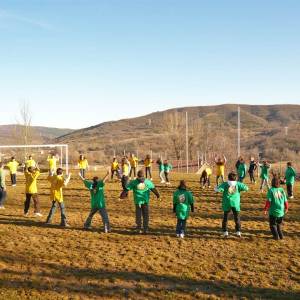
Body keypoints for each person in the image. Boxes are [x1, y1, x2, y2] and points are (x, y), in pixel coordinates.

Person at [215, 172, 248, 237]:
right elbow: (246, 188)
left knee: (225, 218)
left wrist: (216, 188)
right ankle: (238, 232)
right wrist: (241, 190)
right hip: (236, 203)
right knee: (237, 218)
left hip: (227, 203)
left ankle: (225, 232)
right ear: (236, 178)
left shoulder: (225, 184)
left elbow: (218, 190)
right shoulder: (238, 184)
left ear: (228, 178)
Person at [264, 175, 288, 240]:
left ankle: (276, 236)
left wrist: (265, 209)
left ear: (272, 183)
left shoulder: (271, 190)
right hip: (281, 212)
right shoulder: (282, 190)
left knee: (272, 225)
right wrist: (286, 208)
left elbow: (268, 201)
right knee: (279, 225)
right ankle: (281, 236)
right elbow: (285, 200)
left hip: (273, 212)